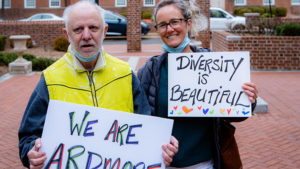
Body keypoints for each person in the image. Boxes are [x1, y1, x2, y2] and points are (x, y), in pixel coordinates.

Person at [18, 1, 178, 169]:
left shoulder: (124, 73)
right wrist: (31, 153)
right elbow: (27, 138)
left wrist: (160, 149)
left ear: (105, 31)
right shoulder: (50, 79)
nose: (86, 35)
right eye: (78, 29)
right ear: (67, 35)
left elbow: (146, 127)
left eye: (93, 28)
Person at [137, 0, 258, 169]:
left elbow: (236, 115)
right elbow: (142, 118)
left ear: (188, 23)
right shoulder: (149, 71)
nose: (169, 29)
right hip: (163, 164)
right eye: (163, 24)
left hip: (205, 163)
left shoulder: (213, 64)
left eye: (174, 22)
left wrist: (248, 99)